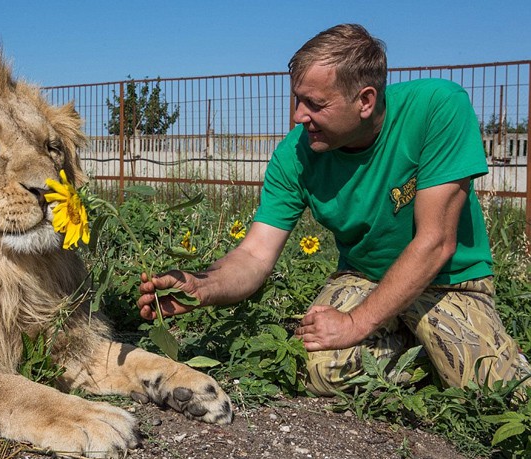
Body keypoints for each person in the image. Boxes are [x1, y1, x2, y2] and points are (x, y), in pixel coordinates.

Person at [137, 23, 530, 395]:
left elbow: (436, 242)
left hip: (448, 282)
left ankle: (429, 349)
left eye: (314, 103)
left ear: (365, 100)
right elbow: (255, 254)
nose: (298, 116)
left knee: (492, 389)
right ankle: (418, 352)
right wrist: (201, 287)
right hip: (365, 279)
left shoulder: (437, 109)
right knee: (313, 367)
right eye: (297, 99)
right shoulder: (295, 155)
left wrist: (356, 323)